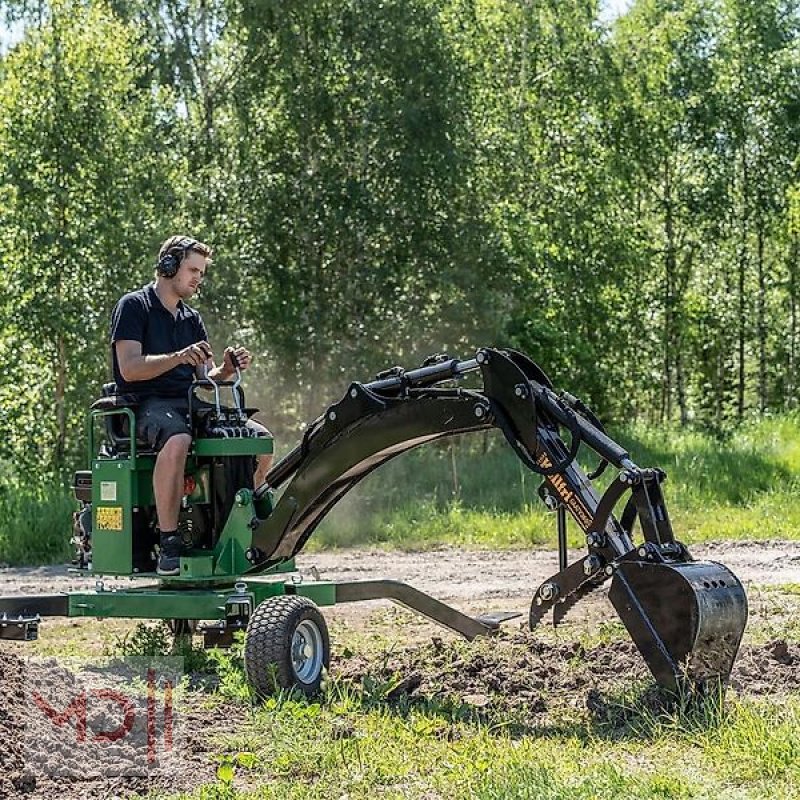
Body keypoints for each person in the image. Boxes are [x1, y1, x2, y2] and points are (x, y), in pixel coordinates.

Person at [109, 235, 272, 575]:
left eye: (202, 272)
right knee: (178, 439)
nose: (199, 278)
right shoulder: (133, 306)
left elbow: (203, 377)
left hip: (187, 402)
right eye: (193, 269)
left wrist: (227, 369)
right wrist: (177, 357)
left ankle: (247, 525)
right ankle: (169, 542)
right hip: (143, 405)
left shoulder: (191, 319)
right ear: (169, 265)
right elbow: (130, 368)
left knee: (258, 437)